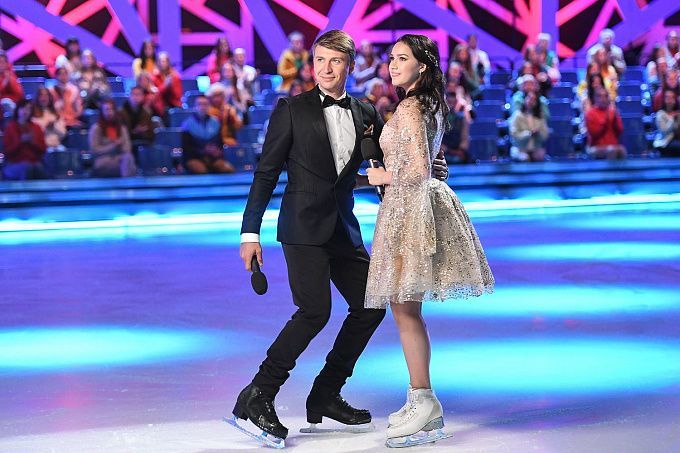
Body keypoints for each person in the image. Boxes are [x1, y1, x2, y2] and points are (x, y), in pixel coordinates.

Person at [234, 29, 451, 445]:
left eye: (335, 61)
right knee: (314, 312)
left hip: (343, 229)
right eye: (319, 60)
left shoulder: (366, 111)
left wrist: (433, 170)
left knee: (370, 305)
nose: (326, 69)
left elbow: (396, 162)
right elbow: (266, 174)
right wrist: (249, 233)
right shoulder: (291, 109)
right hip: (302, 228)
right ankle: (258, 394)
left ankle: (325, 393)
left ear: (349, 66)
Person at [364, 34, 493, 446]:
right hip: (411, 206)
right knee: (406, 309)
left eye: (402, 58)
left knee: (404, 309)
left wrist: (381, 175)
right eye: (391, 57)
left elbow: (417, 170)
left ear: (422, 65)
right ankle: (419, 396)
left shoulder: (411, 107)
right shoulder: (427, 104)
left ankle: (424, 399)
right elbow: (431, 163)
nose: (392, 64)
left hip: (410, 209)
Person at [181, 95, 234, 174]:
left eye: (205, 104)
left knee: (228, 169)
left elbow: (220, 143)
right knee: (201, 171)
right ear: (195, 106)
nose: (202, 107)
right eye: (200, 104)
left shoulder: (215, 122)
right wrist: (203, 151)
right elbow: (186, 148)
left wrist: (217, 150)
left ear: (209, 106)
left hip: (213, 158)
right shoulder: (187, 125)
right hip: (195, 158)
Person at [88, 99, 137, 177]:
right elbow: (95, 150)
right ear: (102, 112)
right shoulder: (96, 129)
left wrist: (120, 146)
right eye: (107, 110)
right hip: (102, 160)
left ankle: (126, 178)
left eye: (111, 109)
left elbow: (127, 148)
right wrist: (113, 146)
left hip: (120, 158)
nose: (109, 112)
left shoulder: (121, 128)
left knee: (128, 158)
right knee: (128, 163)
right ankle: (127, 182)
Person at [2, 99, 48, 180]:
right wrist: (21, 141)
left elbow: (43, 149)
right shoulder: (10, 128)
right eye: (23, 108)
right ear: (18, 110)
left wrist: (32, 142)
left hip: (34, 162)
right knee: (27, 168)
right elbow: (7, 151)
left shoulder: (36, 127)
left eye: (28, 109)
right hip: (14, 163)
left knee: (40, 169)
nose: (25, 111)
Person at [585, 86, 626, 159]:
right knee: (611, 150)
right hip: (596, 147)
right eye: (600, 96)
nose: (603, 99)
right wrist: (606, 120)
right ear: (595, 98)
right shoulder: (590, 113)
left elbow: (620, 131)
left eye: (605, 96)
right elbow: (594, 133)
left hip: (613, 145)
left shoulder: (613, 112)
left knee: (621, 149)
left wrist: (615, 118)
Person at [509, 91, 548, 161]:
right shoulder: (517, 115)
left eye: (534, 99)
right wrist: (529, 134)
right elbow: (513, 133)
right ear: (525, 100)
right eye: (529, 98)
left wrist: (538, 134)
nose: (531, 101)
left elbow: (545, 134)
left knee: (540, 156)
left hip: (536, 148)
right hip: (520, 149)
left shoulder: (540, 116)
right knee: (524, 158)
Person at [119, 86, 156, 153]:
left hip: (143, 142)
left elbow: (151, 134)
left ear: (142, 97)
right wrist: (134, 132)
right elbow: (119, 134)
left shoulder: (147, 113)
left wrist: (143, 131)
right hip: (126, 144)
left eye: (138, 94)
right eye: (133, 94)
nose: (135, 97)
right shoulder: (121, 113)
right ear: (129, 96)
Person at [152, 51, 183, 120]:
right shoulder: (153, 77)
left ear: (168, 62)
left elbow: (178, 96)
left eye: (164, 61)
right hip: (159, 107)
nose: (161, 63)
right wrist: (165, 86)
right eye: (160, 61)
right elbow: (155, 95)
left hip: (173, 106)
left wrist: (170, 87)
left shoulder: (175, 76)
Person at [653, 89, 680, 157]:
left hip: (676, 140)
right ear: (664, 100)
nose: (670, 100)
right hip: (665, 142)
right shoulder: (660, 114)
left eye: (672, 98)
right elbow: (665, 131)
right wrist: (672, 118)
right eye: (668, 98)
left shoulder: (677, 113)